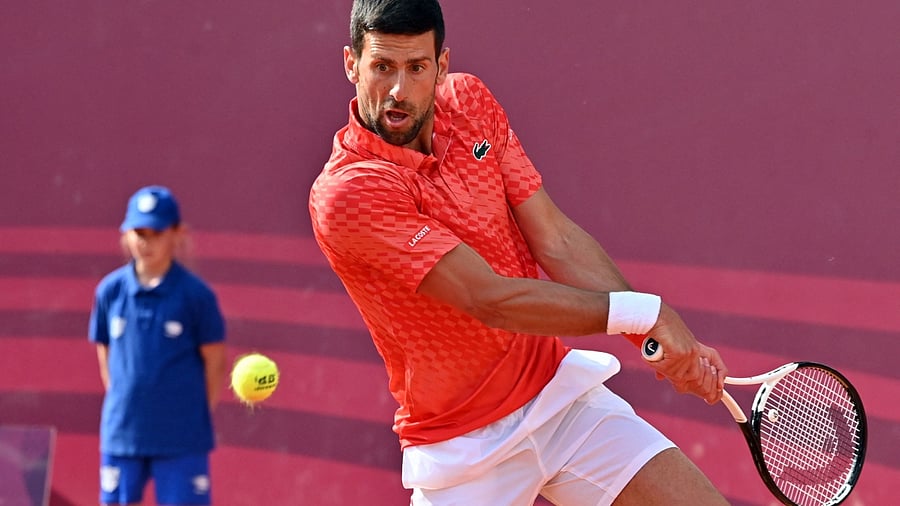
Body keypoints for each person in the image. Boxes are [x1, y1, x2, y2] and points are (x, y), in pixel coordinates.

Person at [309, 1, 730, 504]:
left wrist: (652, 337)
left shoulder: (470, 102)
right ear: (351, 63)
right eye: (382, 66)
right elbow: (492, 300)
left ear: (441, 66)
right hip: (462, 450)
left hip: (560, 402)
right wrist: (647, 312)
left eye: (416, 67)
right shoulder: (349, 194)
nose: (398, 90)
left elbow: (555, 238)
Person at [89, 185, 227, 506]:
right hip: (123, 435)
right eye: (139, 232)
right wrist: (128, 405)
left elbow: (215, 363)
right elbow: (106, 355)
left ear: (177, 233)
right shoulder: (109, 292)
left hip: (181, 439)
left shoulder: (196, 296)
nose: (146, 242)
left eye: (156, 232)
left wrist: (189, 416)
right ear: (126, 234)